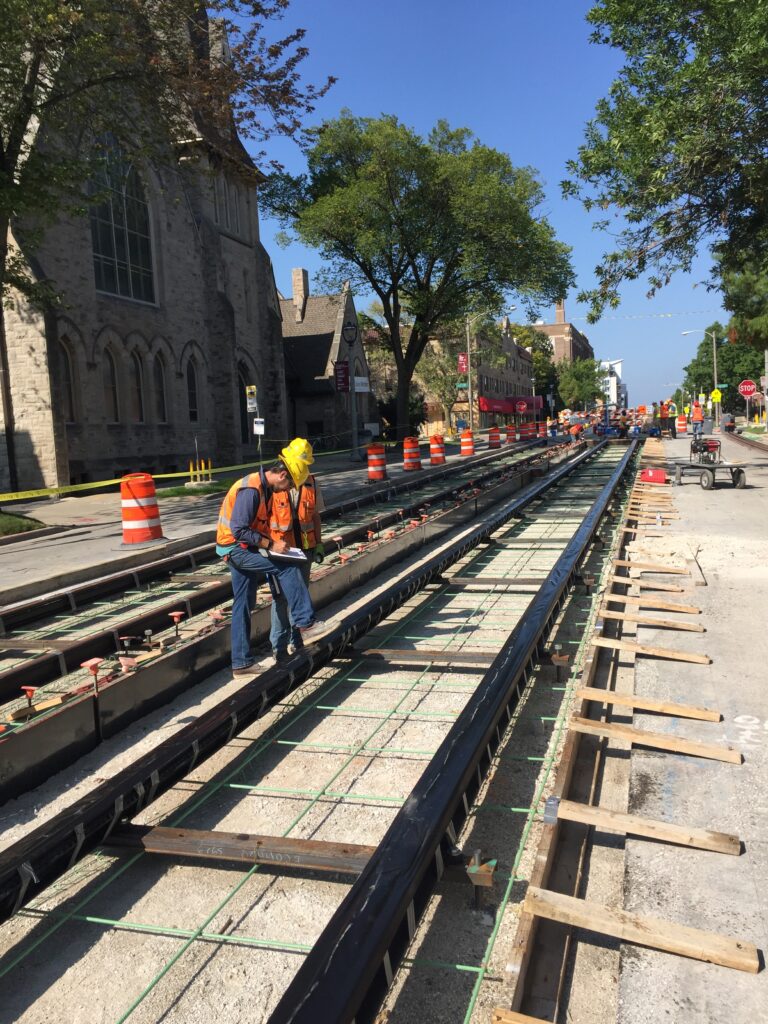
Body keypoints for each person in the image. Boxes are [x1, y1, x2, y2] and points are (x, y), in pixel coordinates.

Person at [216, 439, 331, 675]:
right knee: (287, 568)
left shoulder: (265, 488)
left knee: (243, 603)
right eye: (288, 485)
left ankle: (241, 663)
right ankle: (306, 625)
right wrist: (270, 545)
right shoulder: (251, 490)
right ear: (282, 475)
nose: (287, 490)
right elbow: (239, 529)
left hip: (241, 547)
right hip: (235, 548)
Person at [269, 439, 326, 665]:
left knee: (300, 595)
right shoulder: (273, 485)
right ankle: (279, 647)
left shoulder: (312, 482)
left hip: (305, 548)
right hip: (280, 550)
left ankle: (299, 641)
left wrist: (319, 543)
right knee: (281, 599)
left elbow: (315, 516)